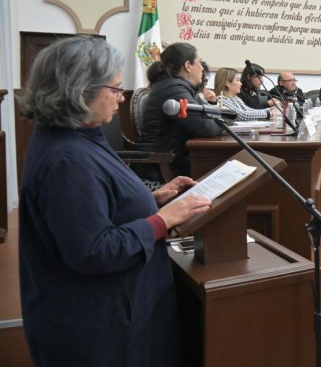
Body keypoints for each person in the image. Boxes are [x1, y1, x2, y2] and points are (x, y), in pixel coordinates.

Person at [17, 36, 213, 366]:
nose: (121, 98)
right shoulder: (68, 160)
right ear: (81, 90)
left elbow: (94, 204)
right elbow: (95, 251)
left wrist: (152, 199)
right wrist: (163, 220)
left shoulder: (77, 135)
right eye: (116, 88)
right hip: (98, 329)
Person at [138, 42, 223, 177]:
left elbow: (211, 114)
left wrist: (222, 118)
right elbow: (206, 127)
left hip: (178, 160)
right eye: (199, 63)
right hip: (161, 169)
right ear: (188, 66)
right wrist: (224, 121)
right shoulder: (173, 89)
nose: (202, 68)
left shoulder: (181, 88)